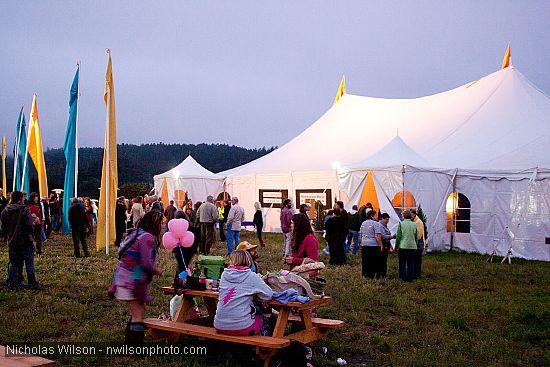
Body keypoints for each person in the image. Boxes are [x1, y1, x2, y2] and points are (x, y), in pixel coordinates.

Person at [111, 211, 163, 346]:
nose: (162, 227)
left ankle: (129, 343)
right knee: (138, 315)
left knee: (138, 311)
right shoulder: (147, 238)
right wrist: (156, 270)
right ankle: (134, 347)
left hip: (125, 277)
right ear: (155, 224)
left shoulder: (136, 233)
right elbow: (146, 263)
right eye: (161, 224)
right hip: (132, 281)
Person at [214, 250, 272, 336]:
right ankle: (263, 348)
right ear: (248, 261)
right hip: (242, 326)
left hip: (219, 325)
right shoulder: (251, 276)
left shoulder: (224, 275)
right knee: (264, 320)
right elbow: (268, 295)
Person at [2, 191, 40, 290]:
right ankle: (32, 283)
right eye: (23, 198)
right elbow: (28, 225)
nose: (24, 199)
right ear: (19, 199)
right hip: (25, 240)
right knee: (29, 263)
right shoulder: (24, 210)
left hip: (12, 240)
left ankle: (12, 282)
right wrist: (32, 233)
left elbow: (3, 228)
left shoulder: (5, 211)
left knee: (13, 263)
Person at [395, 209, 418, 282]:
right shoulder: (414, 224)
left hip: (403, 246)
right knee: (411, 263)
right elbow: (416, 236)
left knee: (402, 263)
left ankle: (403, 278)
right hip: (412, 246)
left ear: (403, 216)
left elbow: (399, 236)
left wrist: (396, 246)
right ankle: (410, 278)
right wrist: (415, 245)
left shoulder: (401, 224)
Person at [359, 210, 382, 278]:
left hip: (364, 244)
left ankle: (365, 274)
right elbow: (377, 235)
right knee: (373, 260)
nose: (377, 217)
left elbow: (360, 234)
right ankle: (371, 275)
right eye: (376, 215)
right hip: (373, 245)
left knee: (365, 260)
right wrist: (381, 245)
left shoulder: (363, 223)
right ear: (372, 216)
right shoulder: (376, 223)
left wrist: (361, 242)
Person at [378, 213, 395, 278]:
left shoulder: (384, 225)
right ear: (382, 218)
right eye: (386, 219)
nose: (387, 221)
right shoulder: (380, 226)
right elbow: (383, 236)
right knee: (382, 260)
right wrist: (392, 237)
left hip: (386, 244)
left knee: (384, 260)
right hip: (383, 244)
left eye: (388, 220)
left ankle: (383, 274)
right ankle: (382, 274)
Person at [410, 208, 426, 279]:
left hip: (418, 244)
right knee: (415, 260)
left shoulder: (418, 222)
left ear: (414, 214)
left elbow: (419, 236)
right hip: (416, 244)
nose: (409, 216)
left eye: (410, 215)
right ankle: (415, 275)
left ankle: (417, 276)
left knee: (417, 261)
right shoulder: (414, 221)